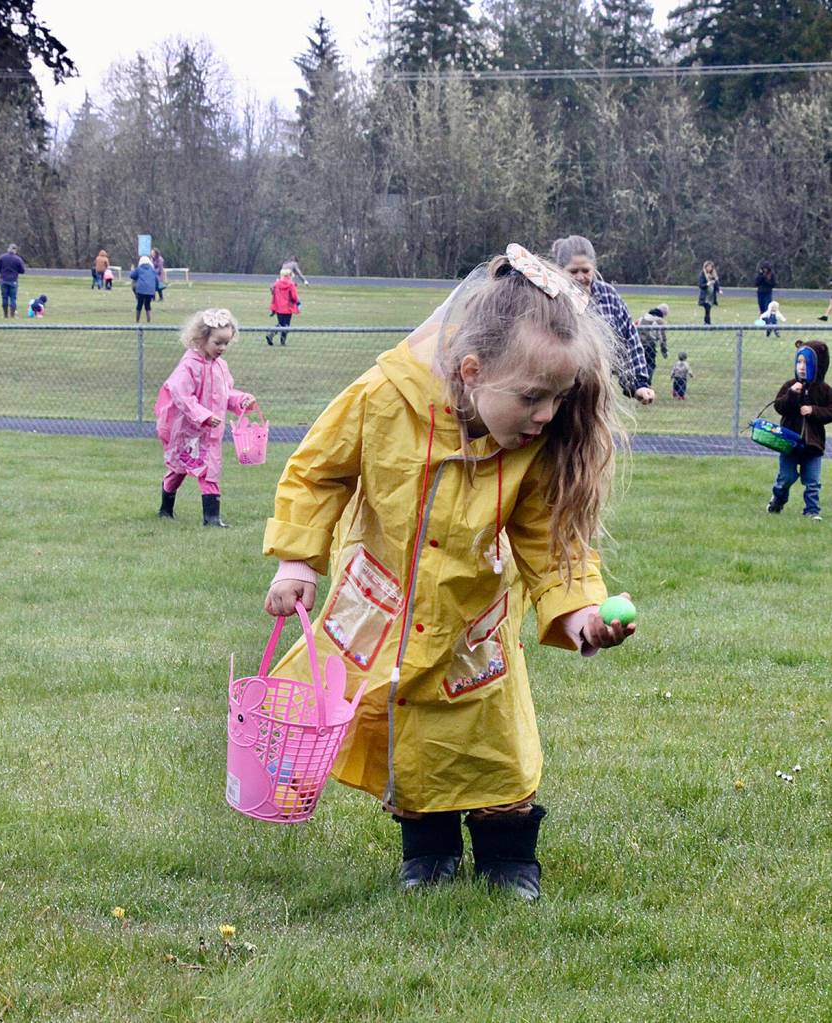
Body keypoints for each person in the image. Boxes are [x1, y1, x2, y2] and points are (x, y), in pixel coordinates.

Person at [262, 243, 636, 901]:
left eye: (556, 397)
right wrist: (298, 557)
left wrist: (578, 609)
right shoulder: (384, 397)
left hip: (475, 625)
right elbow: (317, 470)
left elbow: (551, 540)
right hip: (387, 613)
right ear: (471, 370)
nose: (546, 415)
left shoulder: (534, 445)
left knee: (493, 742)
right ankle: (426, 851)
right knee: (414, 737)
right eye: (530, 397)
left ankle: (509, 857)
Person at [154, 308, 256, 527]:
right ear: (202, 339)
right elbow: (180, 394)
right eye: (218, 343)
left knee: (210, 470)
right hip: (187, 431)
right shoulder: (190, 365)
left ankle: (212, 519)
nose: (223, 348)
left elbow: (226, 393)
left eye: (226, 343)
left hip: (211, 433)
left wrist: (241, 401)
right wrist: (203, 416)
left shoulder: (220, 367)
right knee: (179, 469)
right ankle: (166, 507)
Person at [550, 235, 654, 404]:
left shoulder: (608, 296)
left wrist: (638, 384)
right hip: (561, 395)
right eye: (573, 271)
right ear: (560, 270)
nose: (580, 277)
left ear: (594, 268)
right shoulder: (552, 299)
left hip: (599, 393)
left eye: (585, 270)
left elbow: (628, 340)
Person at [766, 341, 832, 521]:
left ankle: (812, 510)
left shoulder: (824, 390)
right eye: (799, 362)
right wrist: (792, 394)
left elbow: (830, 411)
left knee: (813, 481)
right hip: (789, 443)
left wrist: (814, 411)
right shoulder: (790, 385)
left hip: (813, 444)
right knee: (786, 477)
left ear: (819, 365)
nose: (802, 367)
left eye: (807, 363)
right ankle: (777, 500)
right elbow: (779, 406)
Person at [636, 304, 669, 386]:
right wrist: (664, 351)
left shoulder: (643, 317)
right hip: (650, 345)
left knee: (641, 363)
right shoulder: (659, 321)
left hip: (639, 344)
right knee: (650, 364)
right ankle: (646, 383)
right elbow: (663, 339)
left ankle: (639, 381)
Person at [266, 267, 300, 346]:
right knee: (286, 325)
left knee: (281, 323)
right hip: (288, 307)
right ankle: (282, 341)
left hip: (279, 307)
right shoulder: (291, 284)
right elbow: (294, 297)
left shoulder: (277, 284)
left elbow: (273, 292)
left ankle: (271, 334)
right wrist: (297, 302)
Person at [0, 243, 26, 319]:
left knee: (4, 297)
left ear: (8, 249)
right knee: (13, 298)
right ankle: (12, 315)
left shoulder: (2, 257)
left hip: (3, 280)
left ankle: (5, 315)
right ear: (15, 250)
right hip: (13, 281)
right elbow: (22, 271)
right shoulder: (18, 259)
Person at [130, 255, 157, 323]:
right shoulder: (152, 270)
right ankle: (149, 320)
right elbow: (156, 279)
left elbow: (132, 276)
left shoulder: (139, 269)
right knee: (148, 305)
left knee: (139, 305)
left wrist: (132, 270)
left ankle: (137, 320)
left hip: (141, 290)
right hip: (150, 290)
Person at [697, 261, 720, 325]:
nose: (710, 268)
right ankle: (707, 322)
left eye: (711, 267)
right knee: (707, 308)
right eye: (708, 267)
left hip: (711, 295)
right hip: (705, 296)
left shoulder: (714, 275)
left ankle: (707, 322)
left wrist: (718, 290)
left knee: (709, 308)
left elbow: (716, 284)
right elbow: (701, 285)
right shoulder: (702, 274)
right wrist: (707, 284)